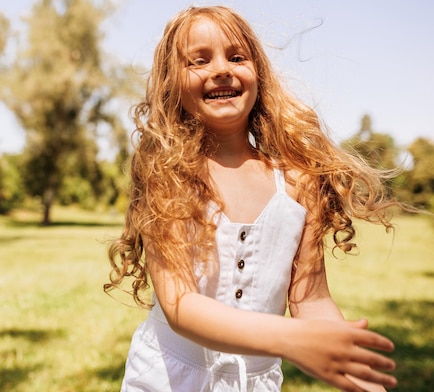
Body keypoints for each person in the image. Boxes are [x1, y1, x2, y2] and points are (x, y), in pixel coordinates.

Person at [105, 5, 405, 392]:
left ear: (258, 74)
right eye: (199, 60)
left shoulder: (298, 181)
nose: (221, 69)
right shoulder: (168, 176)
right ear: (171, 84)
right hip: (166, 378)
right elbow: (181, 305)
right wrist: (289, 339)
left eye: (236, 57)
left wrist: (344, 356)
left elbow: (310, 300)